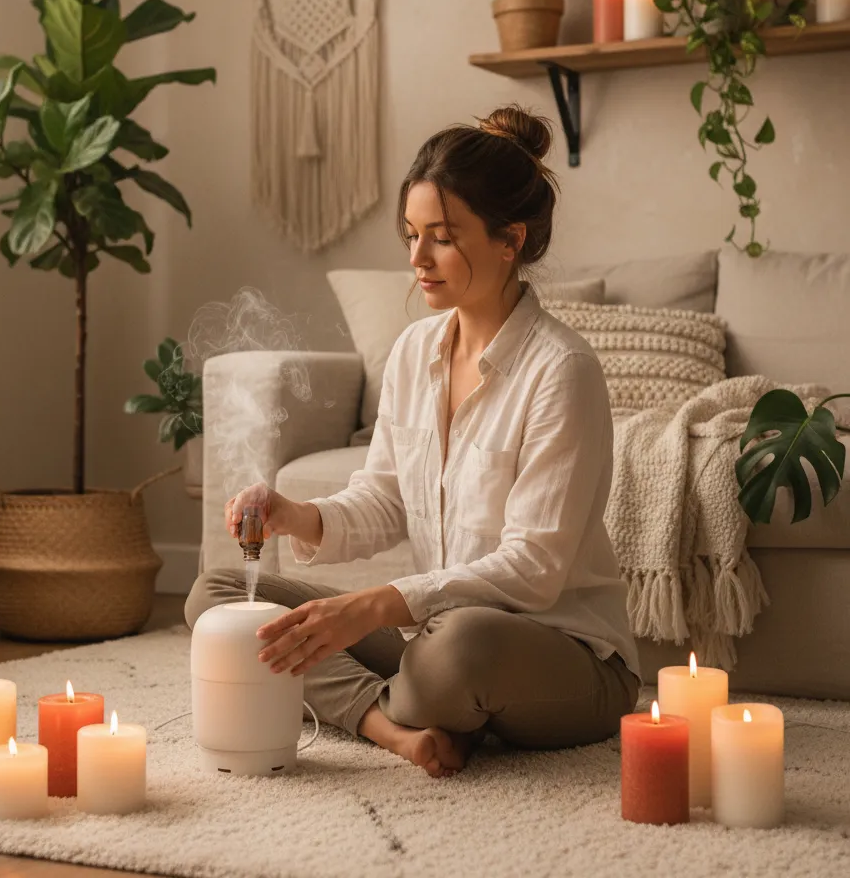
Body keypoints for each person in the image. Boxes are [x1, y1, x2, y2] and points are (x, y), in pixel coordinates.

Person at [185, 105, 641, 778]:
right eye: (411, 235)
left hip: (560, 655)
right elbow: (385, 499)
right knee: (218, 595)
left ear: (509, 239)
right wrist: (296, 514)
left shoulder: (561, 370)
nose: (416, 260)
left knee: (449, 653)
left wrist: (371, 604)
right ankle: (394, 729)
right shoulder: (414, 351)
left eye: (442, 238)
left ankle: (407, 708)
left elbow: (533, 570)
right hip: (433, 638)